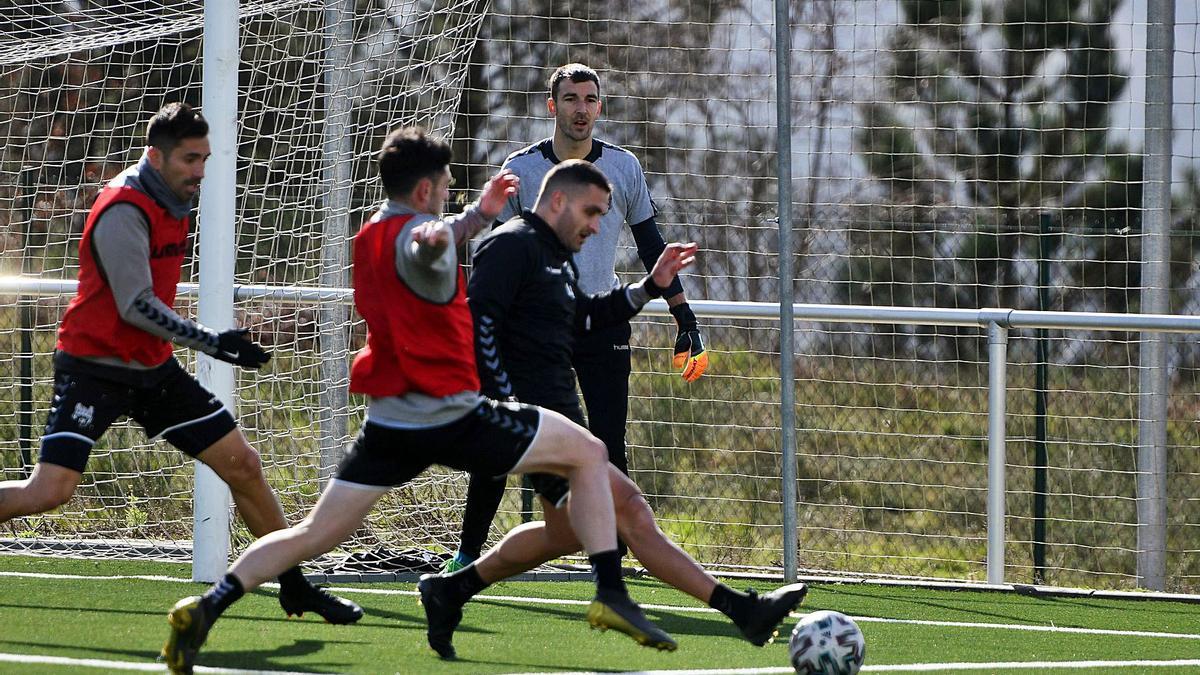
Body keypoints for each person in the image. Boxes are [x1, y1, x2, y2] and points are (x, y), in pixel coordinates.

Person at [161, 127, 682, 674]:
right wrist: (477, 216)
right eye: (446, 182)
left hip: (390, 417)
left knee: (313, 534)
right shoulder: (419, 233)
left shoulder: (369, 234)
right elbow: (430, 240)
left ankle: (206, 606)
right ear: (424, 191)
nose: (450, 188)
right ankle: (609, 589)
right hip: (450, 412)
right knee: (589, 453)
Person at [417, 159, 805, 660]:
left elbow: (585, 318)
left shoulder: (555, 256)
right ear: (558, 200)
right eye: (592, 211)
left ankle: (450, 590)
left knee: (564, 532)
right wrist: (508, 407)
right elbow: (477, 328)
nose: (598, 225)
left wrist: (651, 286)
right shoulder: (510, 244)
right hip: (529, 420)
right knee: (630, 508)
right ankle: (734, 610)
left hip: (557, 416)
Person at [0, 102, 361, 625]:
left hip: (152, 370)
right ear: (156, 156)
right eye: (190, 159)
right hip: (93, 368)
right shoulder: (125, 207)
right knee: (49, 491)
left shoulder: (175, 198)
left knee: (245, 467)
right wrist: (213, 341)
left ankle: (294, 585)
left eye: (205, 158)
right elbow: (135, 304)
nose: (200, 171)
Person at [445, 62, 707, 571]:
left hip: (601, 322)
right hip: (535, 331)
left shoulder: (624, 168)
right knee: (502, 439)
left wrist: (685, 316)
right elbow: (494, 252)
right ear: (552, 107)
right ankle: (466, 554)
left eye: (589, 99)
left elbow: (653, 247)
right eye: (570, 99)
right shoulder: (522, 171)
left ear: (599, 107)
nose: (580, 109)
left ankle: (610, 558)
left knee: (607, 443)